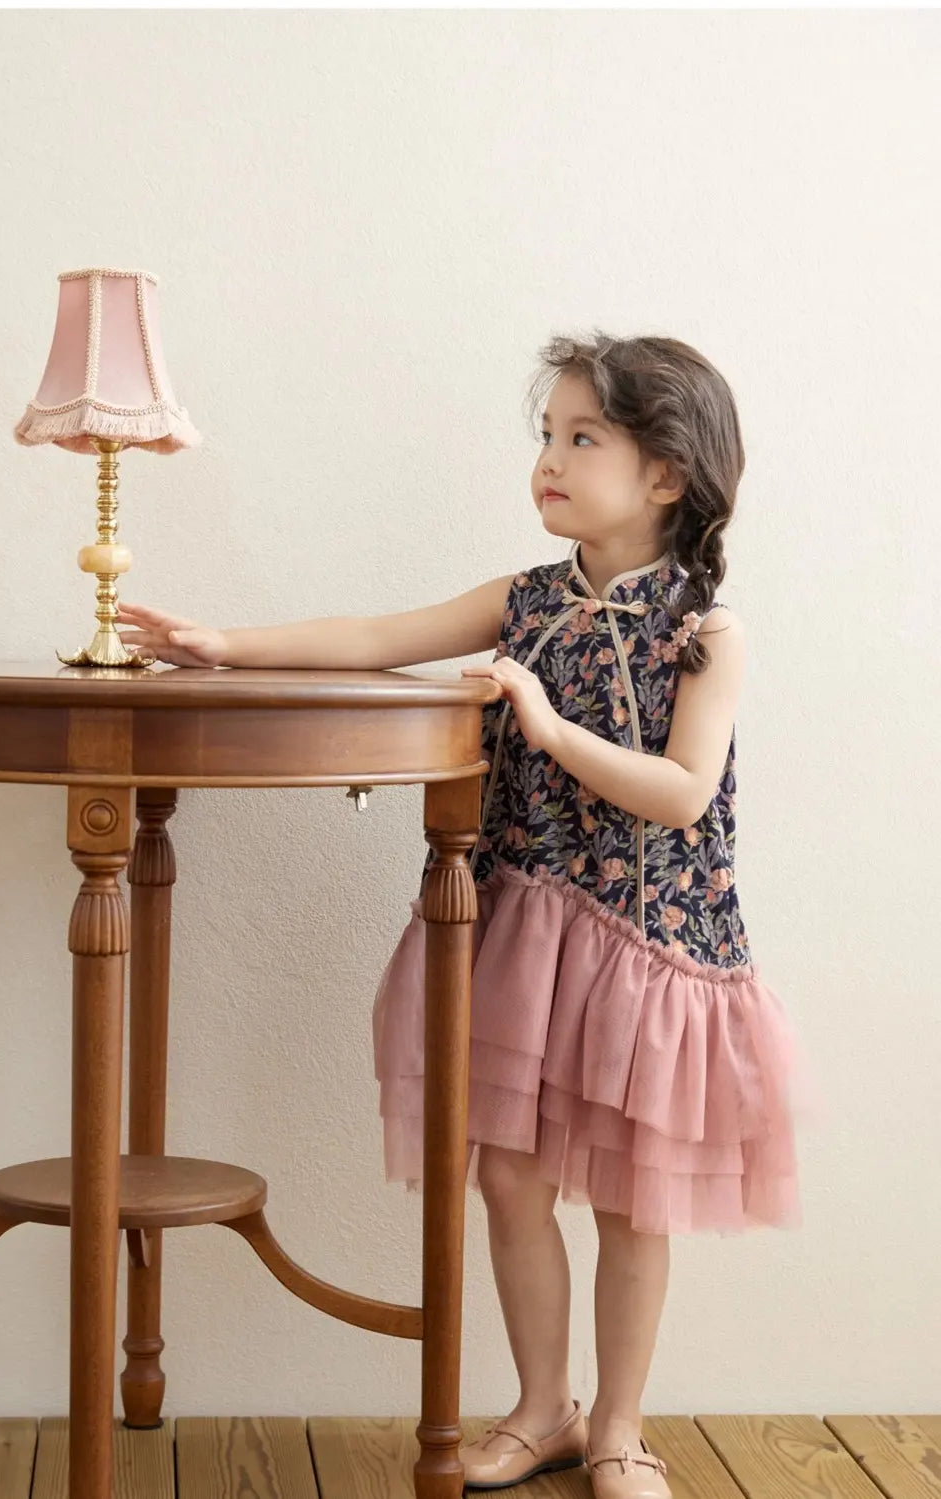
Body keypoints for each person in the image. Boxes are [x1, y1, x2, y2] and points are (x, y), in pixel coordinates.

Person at [118, 332, 816, 1499]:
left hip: (644, 943)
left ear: (664, 473)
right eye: (545, 435)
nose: (548, 459)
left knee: (630, 1199)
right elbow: (376, 637)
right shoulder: (521, 601)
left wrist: (544, 725)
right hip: (522, 933)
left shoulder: (702, 631)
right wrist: (222, 646)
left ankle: (619, 1425)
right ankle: (544, 1406)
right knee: (508, 1178)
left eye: (581, 437)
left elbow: (682, 792)